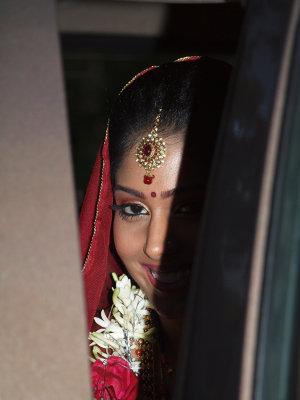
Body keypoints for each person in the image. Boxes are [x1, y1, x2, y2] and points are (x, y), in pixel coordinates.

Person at [79, 56, 231, 400]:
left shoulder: (281, 363)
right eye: (134, 209)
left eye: (190, 208)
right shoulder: (85, 361)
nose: (156, 247)